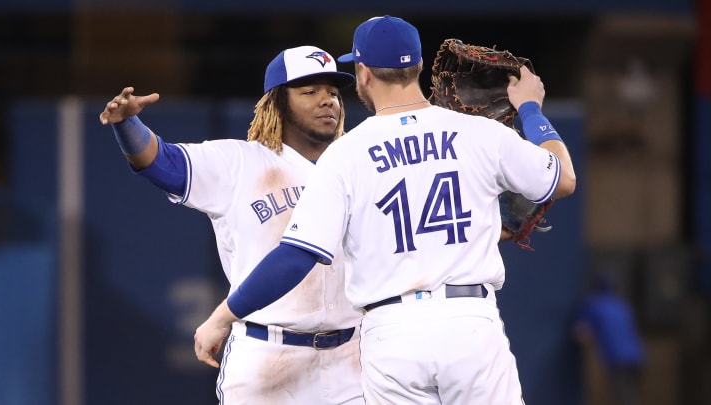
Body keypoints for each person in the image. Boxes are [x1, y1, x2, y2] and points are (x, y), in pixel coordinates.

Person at [194, 15, 577, 405]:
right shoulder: (478, 133)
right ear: (419, 66)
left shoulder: (345, 154)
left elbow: (296, 256)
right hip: (470, 323)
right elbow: (562, 179)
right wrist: (530, 110)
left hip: (391, 333)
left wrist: (223, 316)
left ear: (362, 73)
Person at [98, 45, 364, 405]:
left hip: (349, 357)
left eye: (333, 93)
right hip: (266, 353)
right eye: (309, 92)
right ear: (278, 103)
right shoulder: (238, 161)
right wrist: (127, 124)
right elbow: (161, 163)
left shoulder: (357, 164)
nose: (326, 101)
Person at [574, 272, 646, 405]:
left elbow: (582, 333)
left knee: (625, 396)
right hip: (637, 356)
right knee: (630, 394)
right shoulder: (623, 305)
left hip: (617, 357)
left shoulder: (594, 304)